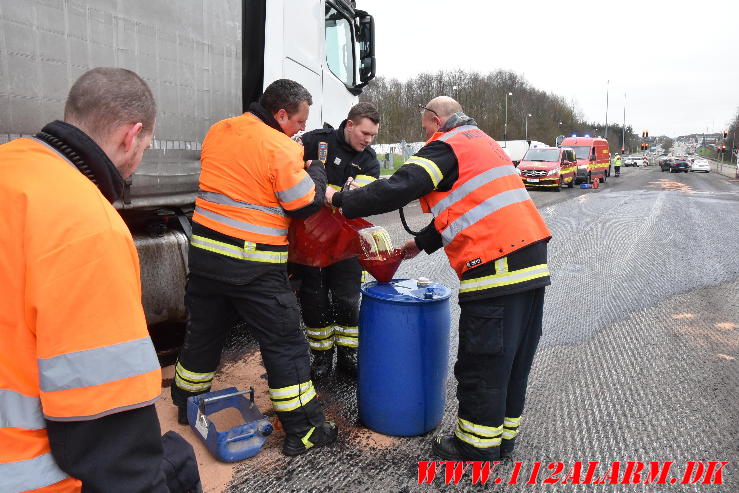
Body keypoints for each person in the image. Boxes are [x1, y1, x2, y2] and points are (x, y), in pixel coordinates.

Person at [0, 67, 200, 492]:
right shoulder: (88, 227)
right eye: (145, 146)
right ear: (132, 136)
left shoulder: (10, 170)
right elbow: (110, 434)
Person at [326, 96, 552, 461]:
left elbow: (400, 186)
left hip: (496, 264)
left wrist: (339, 199)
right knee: (513, 359)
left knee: (483, 360)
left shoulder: (447, 146)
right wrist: (421, 243)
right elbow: (468, 205)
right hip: (531, 261)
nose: (424, 136)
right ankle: (502, 439)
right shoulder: (483, 142)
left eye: (424, 128)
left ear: (434, 120)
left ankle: (474, 447)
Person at [171, 79, 337, 456]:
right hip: (254, 265)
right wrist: (316, 171)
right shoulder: (280, 147)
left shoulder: (220, 130)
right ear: (281, 115)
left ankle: (186, 403)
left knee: (203, 333)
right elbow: (304, 204)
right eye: (298, 122)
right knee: (284, 343)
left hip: (206, 258)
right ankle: (305, 430)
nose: (300, 130)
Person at [290, 102, 381, 379]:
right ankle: (320, 355)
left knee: (347, 298)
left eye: (373, 136)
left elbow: (357, 199)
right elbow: (289, 171)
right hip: (310, 238)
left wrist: (326, 190)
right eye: (365, 133)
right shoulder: (314, 141)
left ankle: (348, 354)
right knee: (313, 298)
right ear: (349, 124)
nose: (368, 140)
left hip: (345, 241)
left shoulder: (369, 161)